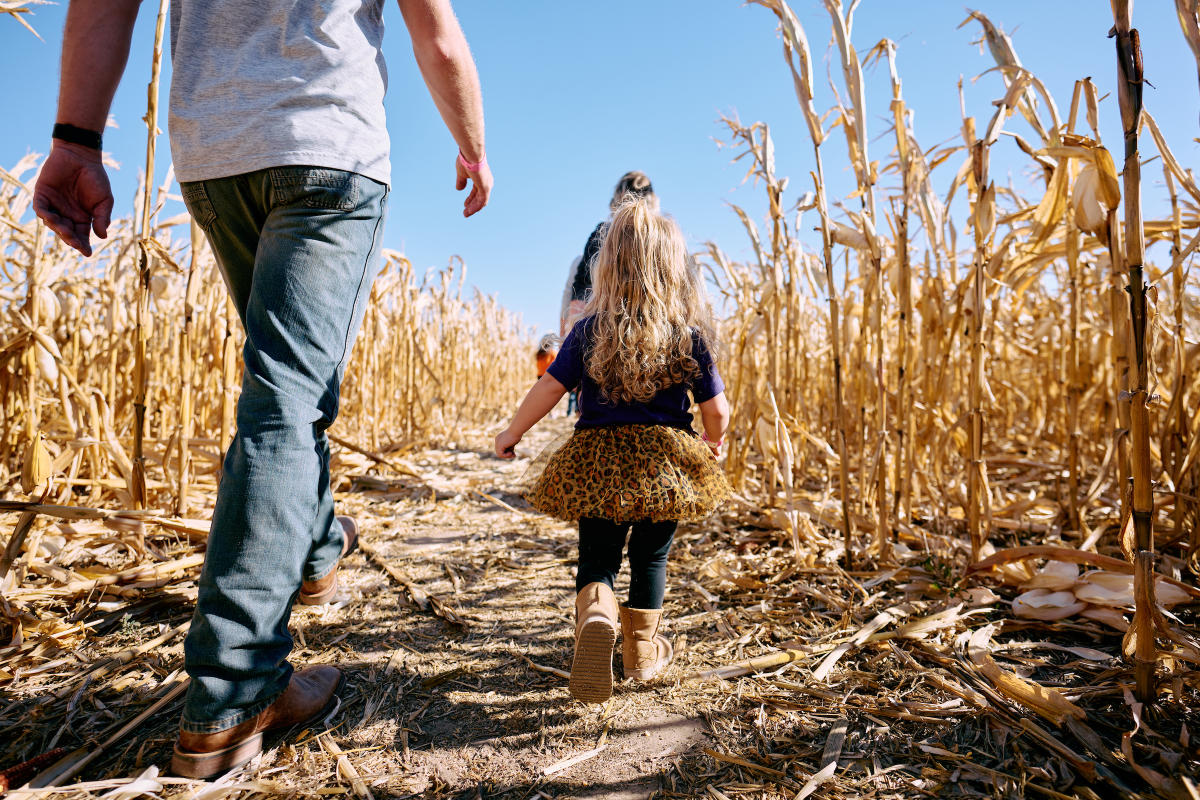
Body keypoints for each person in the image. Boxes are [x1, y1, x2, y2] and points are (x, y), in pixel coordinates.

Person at [33, 0, 492, 778]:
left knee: (284, 382)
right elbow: (437, 33)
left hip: (217, 150)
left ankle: (314, 554)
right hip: (326, 143)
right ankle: (233, 694)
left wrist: (76, 137)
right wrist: (474, 148)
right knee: (285, 400)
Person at [496, 197, 730, 704]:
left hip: (598, 462)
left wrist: (512, 432)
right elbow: (717, 410)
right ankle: (641, 654)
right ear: (675, 272)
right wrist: (711, 444)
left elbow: (549, 390)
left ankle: (596, 613)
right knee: (651, 556)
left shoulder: (589, 331)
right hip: (664, 465)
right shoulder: (688, 336)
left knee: (598, 555)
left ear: (607, 265)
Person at [560, 170, 656, 337]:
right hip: (648, 333)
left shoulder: (601, 234)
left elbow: (580, 293)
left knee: (578, 264)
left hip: (603, 334)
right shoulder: (663, 239)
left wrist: (567, 343)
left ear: (616, 201)